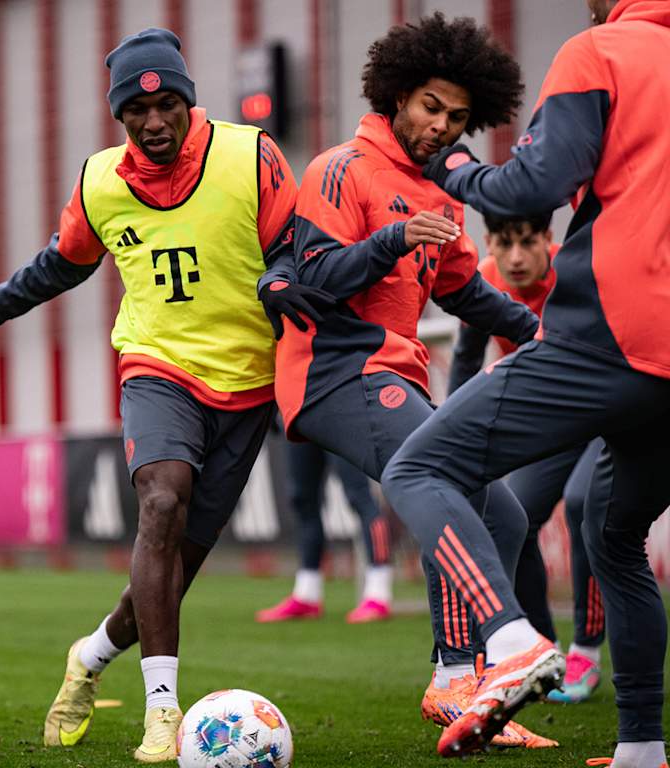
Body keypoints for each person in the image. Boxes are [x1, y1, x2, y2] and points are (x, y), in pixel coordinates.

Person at [0, 28, 331, 763]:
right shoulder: (101, 181)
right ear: (119, 116)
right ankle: (162, 713)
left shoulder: (249, 155)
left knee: (166, 578)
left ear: (188, 102)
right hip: (156, 367)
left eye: (166, 104)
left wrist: (283, 275)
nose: (153, 121)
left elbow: (295, 245)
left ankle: (90, 658)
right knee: (161, 502)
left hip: (249, 382)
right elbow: (53, 269)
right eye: (136, 109)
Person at [381, 0, 670, 762]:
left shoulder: (602, 49)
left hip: (611, 335)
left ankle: (510, 642)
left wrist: (450, 165)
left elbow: (529, 187)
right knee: (614, 538)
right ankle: (643, 747)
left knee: (417, 463)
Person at [275, 13, 555, 750]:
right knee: (448, 480)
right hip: (335, 372)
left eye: (458, 118)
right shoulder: (340, 168)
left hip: (394, 373)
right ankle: (505, 643)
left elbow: (464, 289)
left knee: (505, 516)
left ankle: (453, 680)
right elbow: (314, 278)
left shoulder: (439, 192)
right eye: (432, 106)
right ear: (398, 93)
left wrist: (541, 331)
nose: (441, 126)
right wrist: (391, 239)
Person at [449, 212, 605, 704]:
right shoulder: (487, 279)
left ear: (548, 240)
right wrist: (445, 429)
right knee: (513, 516)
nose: (514, 258)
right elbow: (466, 354)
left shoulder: (579, 275)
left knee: (587, 507)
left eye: (526, 243)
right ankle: (544, 650)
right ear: (488, 243)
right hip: (555, 421)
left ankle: (586, 651)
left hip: (609, 411)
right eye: (502, 244)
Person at [255, 440, 395, 624]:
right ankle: (307, 593)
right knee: (302, 499)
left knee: (359, 496)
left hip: (340, 417)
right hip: (298, 417)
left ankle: (379, 592)